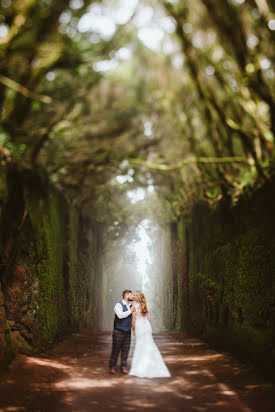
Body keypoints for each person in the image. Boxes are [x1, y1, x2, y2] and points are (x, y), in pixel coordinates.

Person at [129, 290, 171, 378]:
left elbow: (133, 320)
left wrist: (133, 329)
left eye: (136, 295)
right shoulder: (146, 306)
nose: (134, 297)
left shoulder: (134, 307)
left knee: (140, 345)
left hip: (139, 327)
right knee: (149, 345)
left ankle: (141, 367)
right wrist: (145, 324)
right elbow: (148, 318)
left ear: (139, 297)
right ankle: (153, 366)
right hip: (147, 327)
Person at [109, 289, 136, 374]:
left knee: (126, 350)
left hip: (127, 332)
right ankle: (112, 367)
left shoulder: (131, 306)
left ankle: (123, 367)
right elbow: (120, 316)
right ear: (126, 296)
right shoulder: (118, 305)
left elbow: (133, 319)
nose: (132, 296)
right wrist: (130, 311)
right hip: (118, 331)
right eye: (131, 295)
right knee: (115, 350)